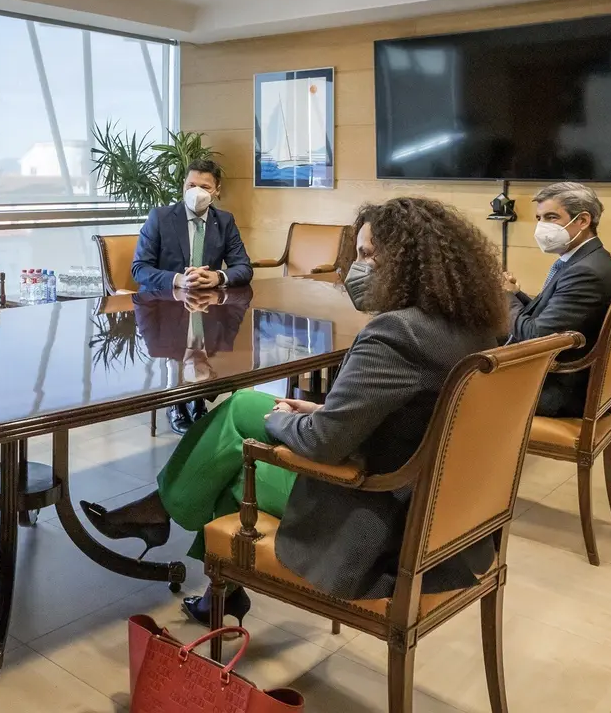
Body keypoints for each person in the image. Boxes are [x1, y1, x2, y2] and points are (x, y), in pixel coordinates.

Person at [82, 197, 507, 626]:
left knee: (234, 462)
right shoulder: (473, 328)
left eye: (365, 255)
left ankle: (173, 527)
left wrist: (281, 420)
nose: (355, 268)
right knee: (242, 405)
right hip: (439, 502)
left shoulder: (395, 334)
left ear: (404, 262)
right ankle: (192, 557)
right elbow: (408, 412)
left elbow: (323, 443)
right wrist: (320, 409)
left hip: (378, 513)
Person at [131, 159, 253, 435]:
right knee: (184, 342)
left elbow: (243, 267)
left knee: (208, 341)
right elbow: (140, 268)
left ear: (217, 191)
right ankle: (177, 401)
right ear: (183, 186)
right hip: (165, 307)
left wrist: (217, 277)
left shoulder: (224, 221)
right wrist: (178, 279)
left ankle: (198, 398)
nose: (196, 192)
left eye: (205, 187)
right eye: (191, 185)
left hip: (208, 308)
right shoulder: (160, 218)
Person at [504, 182, 611, 417]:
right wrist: (515, 294)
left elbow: (536, 336)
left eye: (551, 217)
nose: (541, 226)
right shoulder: (587, 260)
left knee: (453, 381)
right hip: (562, 380)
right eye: (539, 218)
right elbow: (551, 315)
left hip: (557, 391)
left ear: (583, 220)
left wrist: (504, 297)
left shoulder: (586, 272)